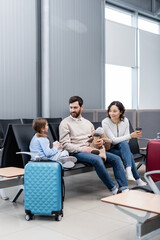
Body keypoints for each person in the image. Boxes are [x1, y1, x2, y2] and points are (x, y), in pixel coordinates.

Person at [59, 96, 129, 194]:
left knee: (116, 159)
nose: (72, 110)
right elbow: (65, 144)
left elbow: (94, 137)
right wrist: (82, 149)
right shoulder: (65, 123)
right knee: (97, 159)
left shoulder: (88, 123)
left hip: (93, 149)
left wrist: (100, 141)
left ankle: (124, 188)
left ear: (81, 107)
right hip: (77, 152)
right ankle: (114, 189)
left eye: (75, 108)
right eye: (71, 107)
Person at [102, 101, 146, 186]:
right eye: (110, 111)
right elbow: (113, 140)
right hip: (109, 149)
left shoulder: (125, 121)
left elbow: (126, 141)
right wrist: (130, 135)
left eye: (114, 111)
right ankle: (137, 179)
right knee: (128, 154)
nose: (111, 113)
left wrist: (128, 137)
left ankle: (128, 171)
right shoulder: (105, 122)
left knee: (124, 144)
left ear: (121, 112)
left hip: (121, 147)